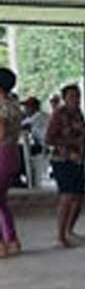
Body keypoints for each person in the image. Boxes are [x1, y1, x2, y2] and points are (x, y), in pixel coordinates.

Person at [44, 84, 85, 248]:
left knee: (78, 197)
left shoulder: (78, 113)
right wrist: (70, 145)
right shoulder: (59, 114)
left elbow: (83, 133)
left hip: (79, 159)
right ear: (65, 98)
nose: (76, 99)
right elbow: (49, 139)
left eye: (78, 96)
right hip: (63, 159)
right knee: (67, 196)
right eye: (72, 96)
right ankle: (60, 236)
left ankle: (69, 230)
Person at [0, 67, 22, 258]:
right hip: (12, 153)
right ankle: (12, 240)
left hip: (1, 153)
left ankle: (1, 244)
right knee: (2, 202)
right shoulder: (14, 104)